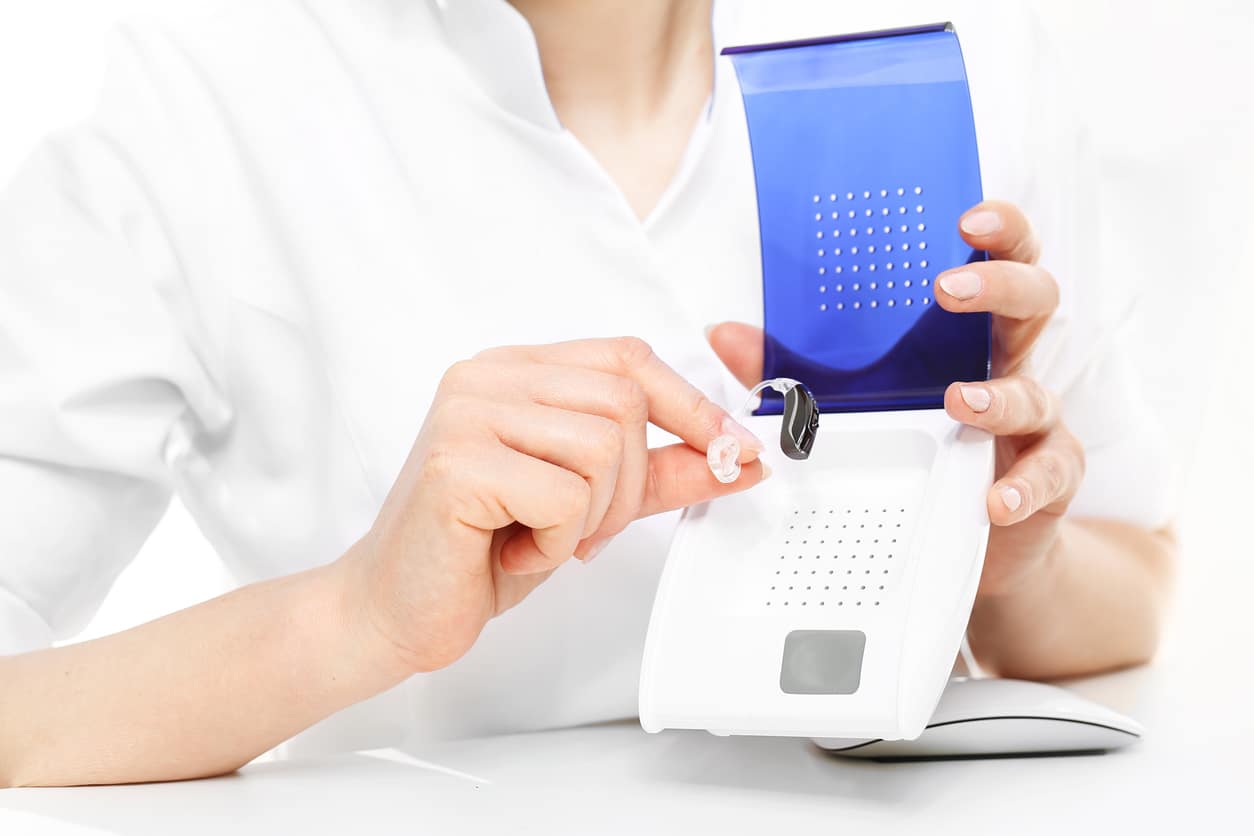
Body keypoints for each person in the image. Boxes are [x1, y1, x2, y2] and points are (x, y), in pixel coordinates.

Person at [0, 0, 1176, 788]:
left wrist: (1014, 561)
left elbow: (1147, 584)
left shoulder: (961, 45)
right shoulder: (200, 98)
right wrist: (354, 614)